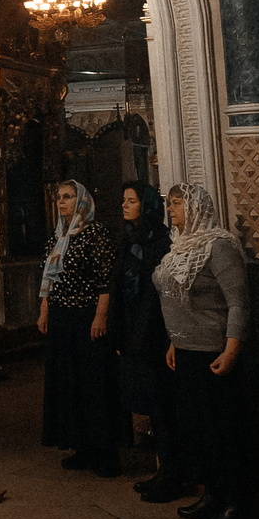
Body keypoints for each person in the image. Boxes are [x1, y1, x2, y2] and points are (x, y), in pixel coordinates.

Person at [156, 182, 254, 519]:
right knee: (198, 429)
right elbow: (178, 303)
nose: (172, 210)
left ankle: (235, 503)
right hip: (185, 351)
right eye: (170, 204)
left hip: (215, 351)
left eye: (178, 203)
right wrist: (173, 341)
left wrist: (232, 348)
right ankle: (212, 493)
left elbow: (237, 302)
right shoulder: (179, 248)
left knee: (222, 429)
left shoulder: (218, 246)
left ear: (197, 207)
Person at [38, 180, 122, 475]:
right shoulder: (59, 236)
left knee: (93, 383)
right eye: (58, 197)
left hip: (87, 317)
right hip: (61, 317)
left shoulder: (95, 234)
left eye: (68, 197)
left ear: (82, 201)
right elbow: (49, 278)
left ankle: (106, 452)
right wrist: (44, 309)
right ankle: (82, 446)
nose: (61, 202)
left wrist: (100, 317)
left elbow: (105, 281)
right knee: (69, 383)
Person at [107, 182, 181, 499]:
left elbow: (159, 296)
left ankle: (173, 475)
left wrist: (143, 334)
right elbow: (119, 287)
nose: (125, 205)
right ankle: (163, 471)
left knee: (164, 407)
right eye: (123, 200)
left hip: (155, 336)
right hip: (133, 336)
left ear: (147, 206)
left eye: (132, 200)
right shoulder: (128, 241)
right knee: (151, 407)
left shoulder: (161, 244)